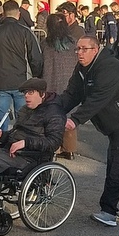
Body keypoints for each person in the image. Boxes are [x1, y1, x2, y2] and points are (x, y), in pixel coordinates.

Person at [57, 35, 119, 226]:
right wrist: (53, 111)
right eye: (77, 49)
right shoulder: (82, 69)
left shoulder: (108, 67)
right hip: (114, 119)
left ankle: (108, 210)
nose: (79, 53)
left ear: (95, 49)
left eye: (84, 49)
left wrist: (75, 120)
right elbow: (72, 94)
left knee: (117, 161)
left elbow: (98, 99)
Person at [0, 78, 65, 223]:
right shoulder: (26, 110)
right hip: (12, 153)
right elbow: (15, 133)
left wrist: (26, 142)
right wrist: (2, 136)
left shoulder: (54, 113)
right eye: (25, 93)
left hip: (30, 158)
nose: (26, 96)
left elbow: (54, 142)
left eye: (30, 92)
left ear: (42, 94)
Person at [0, 0, 43, 132]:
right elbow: (35, 58)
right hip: (21, 81)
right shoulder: (25, 32)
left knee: (1, 119)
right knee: (23, 118)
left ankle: (1, 142)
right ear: (18, 14)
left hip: (0, 81)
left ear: (3, 14)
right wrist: (36, 76)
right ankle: (21, 140)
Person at [41, 13, 79, 159]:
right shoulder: (73, 43)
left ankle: (54, 148)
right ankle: (69, 149)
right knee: (69, 116)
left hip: (50, 82)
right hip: (70, 83)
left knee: (52, 116)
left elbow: (39, 64)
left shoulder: (45, 44)